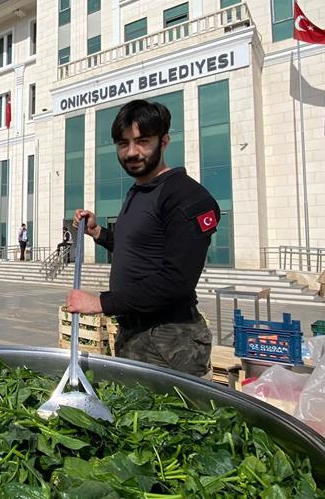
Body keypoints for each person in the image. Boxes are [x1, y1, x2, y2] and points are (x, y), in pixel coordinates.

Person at [63, 99, 219, 378]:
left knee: (167, 419)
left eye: (142, 141)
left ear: (164, 141)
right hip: (133, 331)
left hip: (169, 340)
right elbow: (137, 248)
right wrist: (98, 233)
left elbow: (177, 281)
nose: (132, 152)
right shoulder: (140, 191)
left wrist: (101, 303)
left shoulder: (187, 197)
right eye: (123, 144)